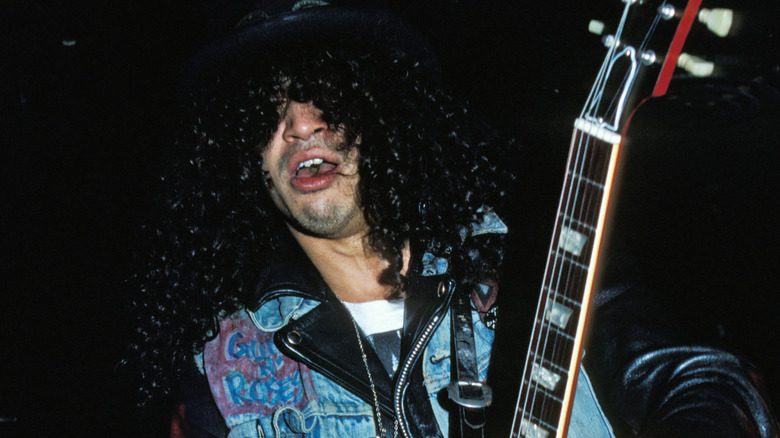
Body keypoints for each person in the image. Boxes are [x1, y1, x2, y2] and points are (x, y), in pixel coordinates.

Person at [128, 1, 779, 437]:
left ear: (384, 123)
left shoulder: (535, 263)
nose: (300, 126)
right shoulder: (227, 369)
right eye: (267, 115)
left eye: (328, 98)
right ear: (250, 161)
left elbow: (699, 377)